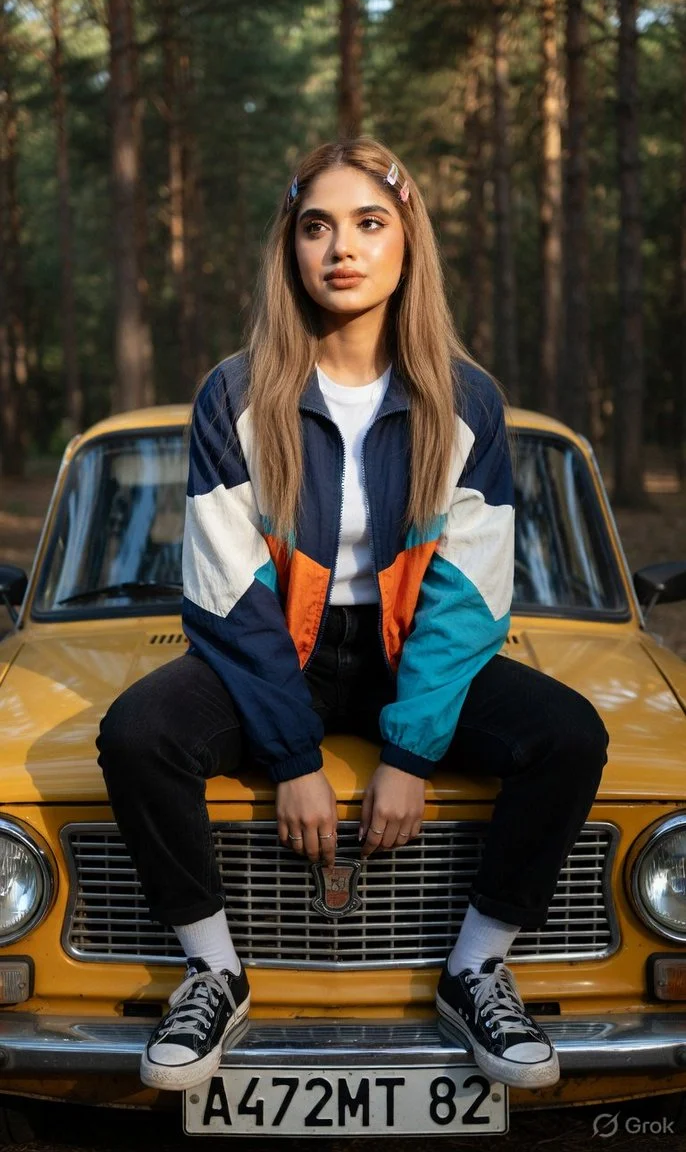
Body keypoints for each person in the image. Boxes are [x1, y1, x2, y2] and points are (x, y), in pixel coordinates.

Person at [96, 137, 609, 1095]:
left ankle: (475, 968)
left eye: (369, 223)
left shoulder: (466, 401)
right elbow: (229, 589)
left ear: (405, 239)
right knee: (138, 733)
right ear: (289, 248)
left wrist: (411, 754)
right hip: (272, 653)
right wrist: (291, 759)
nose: (342, 247)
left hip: (405, 651)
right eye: (317, 226)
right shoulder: (238, 395)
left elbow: (468, 589)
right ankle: (213, 969)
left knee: (568, 734)